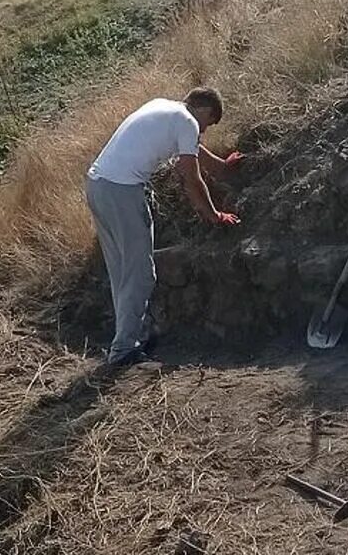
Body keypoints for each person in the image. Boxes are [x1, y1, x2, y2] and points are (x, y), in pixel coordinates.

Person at [85, 87, 239, 366]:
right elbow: (191, 179)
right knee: (141, 274)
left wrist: (220, 166)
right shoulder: (188, 122)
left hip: (98, 185)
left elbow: (193, 149)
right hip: (123, 192)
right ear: (205, 111)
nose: (204, 131)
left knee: (122, 273)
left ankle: (127, 341)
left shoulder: (165, 108)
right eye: (209, 123)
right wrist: (214, 214)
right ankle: (123, 351)